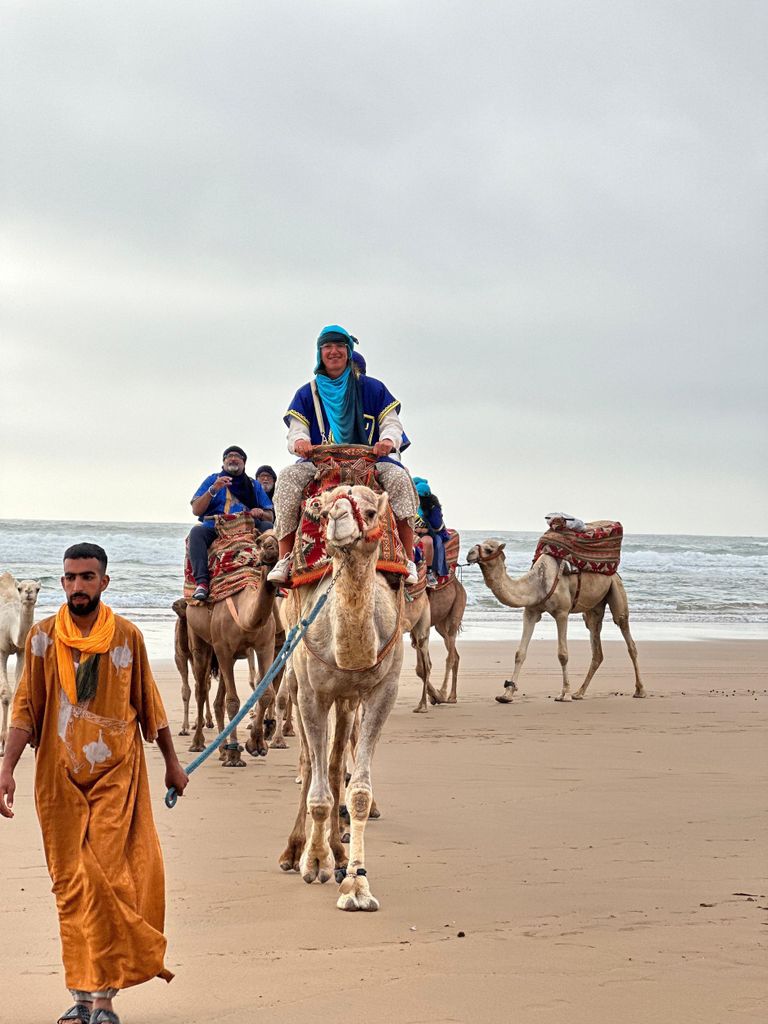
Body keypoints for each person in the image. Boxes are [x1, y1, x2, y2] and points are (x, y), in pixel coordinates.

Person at [0, 543, 189, 1024]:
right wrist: (6, 769)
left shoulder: (127, 636)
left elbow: (150, 705)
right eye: (70, 577)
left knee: (106, 879)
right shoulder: (41, 639)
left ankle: (103, 999)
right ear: (62, 582)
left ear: (104, 582)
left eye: (87, 577)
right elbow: (25, 710)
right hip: (57, 780)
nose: (77, 586)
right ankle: (81, 996)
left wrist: (172, 763)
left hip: (115, 777)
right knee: (72, 884)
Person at [268, 325, 419, 584]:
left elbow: (392, 423)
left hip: (370, 461)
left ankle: (408, 559)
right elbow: (296, 430)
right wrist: (300, 442)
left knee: (400, 479)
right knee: (287, 479)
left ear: (348, 351)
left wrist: (387, 440)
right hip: (321, 463)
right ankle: (285, 558)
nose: (334, 351)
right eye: (327, 347)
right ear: (320, 353)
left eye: (339, 346)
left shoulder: (373, 389)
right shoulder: (307, 393)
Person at [188, 445, 274, 601]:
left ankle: (273, 576)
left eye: (237, 456)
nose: (233, 459)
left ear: (244, 462)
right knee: (196, 532)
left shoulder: (253, 485)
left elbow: (270, 516)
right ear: (223, 462)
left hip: (247, 526)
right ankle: (202, 583)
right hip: (217, 526)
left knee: (268, 528)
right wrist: (213, 490)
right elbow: (196, 510)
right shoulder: (213, 480)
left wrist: (261, 513)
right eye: (229, 456)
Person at [413, 477, 451, 586]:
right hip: (412, 529)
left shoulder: (432, 505)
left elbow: (436, 525)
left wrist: (424, 529)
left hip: (430, 531)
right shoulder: (410, 501)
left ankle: (430, 571)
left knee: (433, 542)